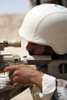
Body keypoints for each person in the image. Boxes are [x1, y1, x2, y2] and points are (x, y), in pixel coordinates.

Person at [3, 4, 67, 100]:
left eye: (36, 43)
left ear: (59, 44)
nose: (28, 47)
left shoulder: (35, 73)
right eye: (29, 41)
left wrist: (38, 79)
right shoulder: (35, 65)